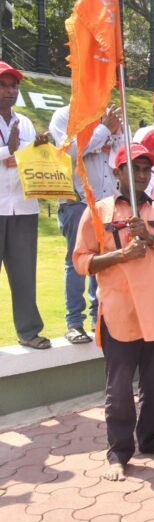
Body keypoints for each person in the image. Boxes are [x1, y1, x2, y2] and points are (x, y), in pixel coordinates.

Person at [72, 143, 154, 481]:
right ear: (117, 172)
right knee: (119, 390)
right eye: (133, 168)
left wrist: (151, 241)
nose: (140, 175)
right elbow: (81, 261)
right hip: (119, 314)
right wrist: (122, 255)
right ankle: (119, 452)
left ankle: (150, 439)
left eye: (145, 169)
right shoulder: (98, 211)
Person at [49, 103, 123, 345]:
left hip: (106, 201)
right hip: (76, 200)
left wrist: (115, 134)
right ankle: (74, 322)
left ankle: (97, 317)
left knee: (103, 261)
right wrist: (103, 131)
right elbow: (68, 151)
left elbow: (122, 157)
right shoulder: (65, 115)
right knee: (77, 260)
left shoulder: (113, 115)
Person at [0, 61, 49, 349]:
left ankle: (29, 332)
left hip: (23, 207)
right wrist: (9, 150)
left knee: (24, 273)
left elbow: (29, 160)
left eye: (13, 85)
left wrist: (39, 148)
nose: (10, 91)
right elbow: (11, 155)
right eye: (3, 85)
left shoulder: (26, 122)